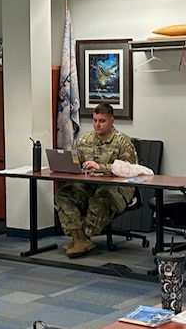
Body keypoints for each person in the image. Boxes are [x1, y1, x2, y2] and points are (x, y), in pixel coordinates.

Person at [54, 103, 139, 259]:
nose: (97, 125)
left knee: (100, 200)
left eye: (102, 121)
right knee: (64, 195)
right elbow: (75, 161)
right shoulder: (85, 140)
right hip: (89, 184)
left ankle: (82, 239)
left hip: (117, 188)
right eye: (94, 120)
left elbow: (130, 170)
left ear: (112, 121)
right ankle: (79, 238)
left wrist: (101, 167)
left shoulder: (123, 142)